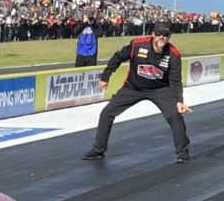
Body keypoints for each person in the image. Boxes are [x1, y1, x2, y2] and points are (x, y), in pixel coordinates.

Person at [82, 24, 192, 163]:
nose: (162, 37)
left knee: (175, 116)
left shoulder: (173, 54)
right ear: (153, 34)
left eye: (165, 35)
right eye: (159, 33)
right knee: (106, 113)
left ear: (169, 37)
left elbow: (176, 80)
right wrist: (105, 77)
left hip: (160, 90)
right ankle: (98, 149)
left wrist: (179, 100)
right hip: (133, 87)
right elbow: (117, 57)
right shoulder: (137, 45)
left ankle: (183, 152)